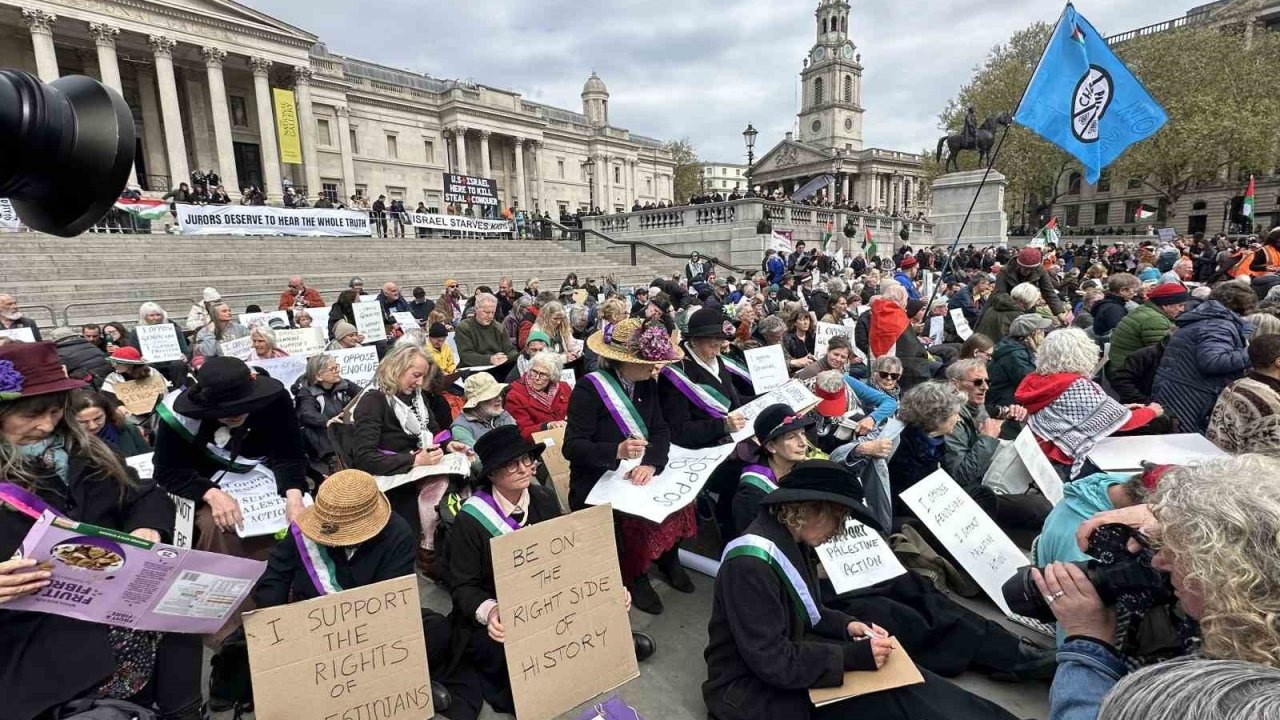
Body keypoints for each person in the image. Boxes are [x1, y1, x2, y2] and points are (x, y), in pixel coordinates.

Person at [703, 459, 1022, 720]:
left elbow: (808, 608)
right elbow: (772, 661)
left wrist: (847, 625)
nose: (839, 532)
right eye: (838, 519)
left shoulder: (789, 540)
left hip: (785, 665)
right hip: (747, 692)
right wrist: (851, 656)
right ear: (811, 510)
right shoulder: (751, 563)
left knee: (911, 681)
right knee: (889, 704)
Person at [0, 342, 200, 720]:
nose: (45, 426)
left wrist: (148, 528)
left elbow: (144, 494)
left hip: (124, 605)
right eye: (29, 415)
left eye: (55, 411)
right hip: (37, 639)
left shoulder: (87, 451)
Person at [1037, 455, 1280, 719]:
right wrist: (1168, 517)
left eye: (1179, 555)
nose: (1158, 560)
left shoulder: (1235, 700)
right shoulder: (1257, 629)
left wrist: (1087, 640)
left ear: (1228, 583)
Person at [441, 425, 650, 715]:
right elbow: (463, 586)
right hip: (504, 608)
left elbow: (569, 557)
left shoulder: (543, 499)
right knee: (517, 673)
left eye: (527, 460)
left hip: (548, 599)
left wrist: (608, 586)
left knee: (591, 621)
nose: (525, 469)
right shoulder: (471, 520)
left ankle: (610, 650)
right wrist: (490, 612)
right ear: (491, 474)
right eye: (512, 464)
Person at [252, 469, 460, 715]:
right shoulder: (302, 533)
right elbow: (273, 582)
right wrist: (279, 632)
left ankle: (399, 684)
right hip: (314, 626)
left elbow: (391, 598)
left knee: (437, 629)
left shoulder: (397, 533)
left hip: (374, 627)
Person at [564, 317, 680, 614]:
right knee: (626, 522)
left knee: (677, 503)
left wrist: (653, 464)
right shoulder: (589, 390)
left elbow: (660, 430)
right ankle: (635, 575)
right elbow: (572, 447)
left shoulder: (648, 385)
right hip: (597, 479)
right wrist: (615, 450)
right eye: (648, 362)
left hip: (636, 471)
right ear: (625, 362)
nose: (655, 367)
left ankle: (669, 557)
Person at [348, 345, 467, 570]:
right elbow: (364, 457)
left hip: (418, 467)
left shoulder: (416, 399)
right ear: (396, 369)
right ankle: (429, 549)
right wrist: (414, 460)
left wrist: (449, 445)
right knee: (439, 487)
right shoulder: (374, 402)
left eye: (422, 376)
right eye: (416, 375)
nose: (420, 383)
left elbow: (433, 431)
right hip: (393, 476)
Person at [1016, 328, 1161, 480]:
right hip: (1063, 457)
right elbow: (1121, 422)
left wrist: (1120, 410)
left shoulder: (1035, 379)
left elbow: (1078, 412)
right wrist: (1151, 411)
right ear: (1083, 354)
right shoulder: (1076, 385)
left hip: (1041, 450)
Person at [943, 359, 1049, 538]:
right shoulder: (951, 417)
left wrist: (1014, 421)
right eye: (977, 382)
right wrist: (988, 439)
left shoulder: (974, 405)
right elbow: (960, 476)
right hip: (971, 494)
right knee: (1040, 508)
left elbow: (993, 431)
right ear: (955, 384)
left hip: (989, 480)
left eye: (987, 381)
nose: (984, 387)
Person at [1152, 282, 1255, 434]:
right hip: (1191, 396)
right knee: (1186, 446)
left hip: (1177, 390)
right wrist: (1254, 352)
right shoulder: (1218, 324)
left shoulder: (1207, 318)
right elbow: (1213, 361)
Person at [658, 308, 747, 449]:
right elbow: (679, 430)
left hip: (734, 437)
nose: (718, 352)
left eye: (720, 345)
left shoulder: (715, 359)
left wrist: (771, 396)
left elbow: (734, 400)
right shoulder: (676, 374)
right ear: (694, 342)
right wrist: (722, 425)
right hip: (705, 449)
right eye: (713, 346)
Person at [1207, 333, 1280, 455]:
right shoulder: (1268, 404)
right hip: (1243, 469)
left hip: (1221, 461)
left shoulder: (1237, 384)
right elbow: (1272, 459)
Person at [293, 353, 360, 477]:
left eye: (337, 367)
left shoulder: (344, 385)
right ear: (318, 376)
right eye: (332, 369)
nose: (337, 371)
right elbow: (307, 413)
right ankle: (334, 464)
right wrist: (327, 421)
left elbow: (363, 394)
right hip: (324, 440)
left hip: (347, 433)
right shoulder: (306, 392)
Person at [1106, 282, 1187, 376]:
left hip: (1120, 365)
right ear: (1165, 305)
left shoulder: (1145, 309)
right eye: (1180, 305)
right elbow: (1162, 355)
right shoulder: (1155, 319)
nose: (1182, 310)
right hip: (1127, 373)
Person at [986, 313, 1051, 420]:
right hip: (1007, 406)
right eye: (1042, 331)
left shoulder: (1012, 347)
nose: (1044, 335)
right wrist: (1037, 352)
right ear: (1033, 334)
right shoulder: (1016, 355)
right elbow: (1033, 384)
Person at [505, 350, 571, 440]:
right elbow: (523, 432)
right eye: (534, 372)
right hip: (539, 445)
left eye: (543, 374)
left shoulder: (564, 387)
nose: (537, 378)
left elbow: (576, 414)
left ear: (552, 376)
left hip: (567, 437)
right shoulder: (514, 396)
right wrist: (547, 426)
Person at [994, 247, 1068, 322]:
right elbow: (999, 295)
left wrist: (1059, 313)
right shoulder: (1005, 271)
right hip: (1006, 309)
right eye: (1024, 268)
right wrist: (1019, 307)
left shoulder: (1040, 270)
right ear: (1018, 264)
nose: (1027, 271)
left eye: (1031, 269)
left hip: (1028, 309)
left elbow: (1048, 292)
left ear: (1036, 267)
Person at [71, 388, 150, 457]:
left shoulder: (129, 430)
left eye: (98, 419)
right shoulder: (70, 442)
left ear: (107, 413)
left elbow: (147, 456)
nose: (93, 426)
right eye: (83, 422)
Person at [450, 373, 514, 447]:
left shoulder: (503, 414)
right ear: (477, 403)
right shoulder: (461, 428)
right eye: (492, 395)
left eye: (499, 393)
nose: (499, 398)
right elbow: (475, 457)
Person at [454, 293, 516, 368]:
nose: (490, 316)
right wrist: (490, 359)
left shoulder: (499, 328)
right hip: (471, 369)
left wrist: (506, 358)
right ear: (476, 309)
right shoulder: (464, 327)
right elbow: (466, 355)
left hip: (497, 368)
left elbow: (511, 350)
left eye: (493, 312)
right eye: (486, 312)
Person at [976, 281, 1043, 342]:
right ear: (1030, 300)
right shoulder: (1018, 317)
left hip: (980, 346)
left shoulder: (994, 307)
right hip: (994, 351)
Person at [1091, 273, 1140, 343]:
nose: (1135, 294)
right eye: (1134, 291)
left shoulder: (1107, 304)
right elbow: (1119, 334)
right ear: (1123, 291)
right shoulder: (1114, 309)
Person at [794, 334, 859, 382]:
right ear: (828, 351)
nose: (838, 359)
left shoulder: (839, 371)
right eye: (836, 354)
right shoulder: (812, 371)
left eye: (843, 357)